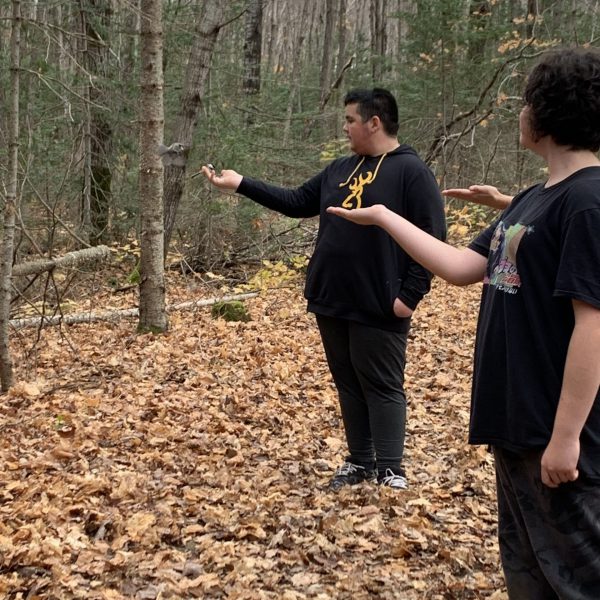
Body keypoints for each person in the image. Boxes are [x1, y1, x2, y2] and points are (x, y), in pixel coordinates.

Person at [327, 49, 600, 597]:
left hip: (561, 434)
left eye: (525, 102)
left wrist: (566, 438)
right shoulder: (533, 198)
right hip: (515, 423)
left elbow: (593, 325)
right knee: (529, 575)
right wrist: (383, 217)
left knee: (580, 580)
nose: (519, 113)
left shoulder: (588, 203)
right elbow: (460, 268)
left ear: (547, 113)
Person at [200, 88, 446, 491]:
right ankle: (360, 461)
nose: (345, 127)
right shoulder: (339, 169)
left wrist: (409, 297)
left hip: (381, 300)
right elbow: (297, 201)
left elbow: (432, 235)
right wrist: (241, 183)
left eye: (350, 119)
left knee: (381, 383)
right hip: (333, 295)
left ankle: (391, 468)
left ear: (374, 122)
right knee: (348, 383)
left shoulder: (411, 172)